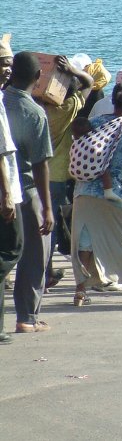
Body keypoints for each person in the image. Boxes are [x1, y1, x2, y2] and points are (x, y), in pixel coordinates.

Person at [70, 81, 122, 306]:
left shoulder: (93, 123)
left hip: (85, 189)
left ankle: (80, 290)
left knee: (85, 240)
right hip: (119, 191)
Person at [4, 52, 54, 333]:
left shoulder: (1, 102)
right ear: (38, 78)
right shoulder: (35, 113)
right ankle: (26, 316)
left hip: (3, 188)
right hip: (26, 189)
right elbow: (40, 164)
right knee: (36, 255)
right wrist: (47, 208)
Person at [43, 55, 95, 288]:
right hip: (56, 174)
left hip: (32, 172)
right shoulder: (68, 106)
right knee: (49, 224)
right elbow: (90, 83)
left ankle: (40, 270)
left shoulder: (39, 107)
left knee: (34, 224)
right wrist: (73, 70)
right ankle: (46, 271)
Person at [0, 42, 24, 343]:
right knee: (12, 249)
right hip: (6, 190)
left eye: (10, 63)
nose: (8, 69)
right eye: (3, 62)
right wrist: (6, 194)